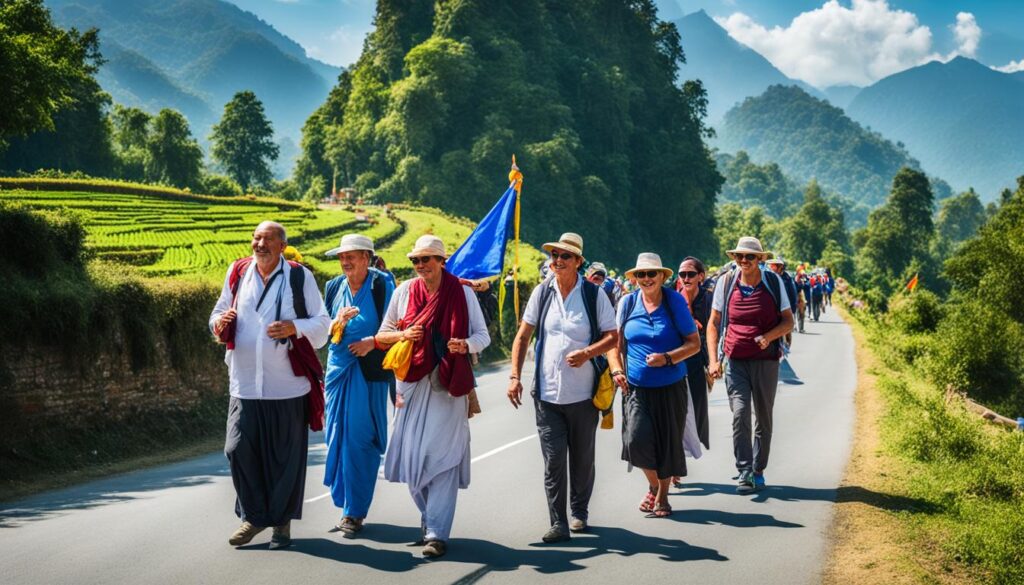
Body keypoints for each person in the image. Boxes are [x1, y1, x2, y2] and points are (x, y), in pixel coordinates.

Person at [210, 221, 331, 549]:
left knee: (283, 459)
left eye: (267, 239)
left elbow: (323, 325)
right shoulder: (237, 272)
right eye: (256, 238)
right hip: (244, 385)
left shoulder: (298, 276)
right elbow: (219, 312)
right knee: (236, 450)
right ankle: (253, 517)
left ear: (281, 246)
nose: (259, 244)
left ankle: (281, 524)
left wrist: (294, 327)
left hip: (286, 387)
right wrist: (218, 323)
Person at [377, 235, 491, 559]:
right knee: (412, 457)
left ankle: (437, 533)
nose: (420, 266)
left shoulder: (462, 292)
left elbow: (482, 336)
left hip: (447, 384)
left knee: (441, 458)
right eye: (415, 260)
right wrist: (404, 334)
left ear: (442, 261)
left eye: (427, 259)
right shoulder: (402, 293)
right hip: (409, 385)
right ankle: (429, 521)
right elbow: (383, 337)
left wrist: (465, 345)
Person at [507, 233, 618, 543]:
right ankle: (558, 522)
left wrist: (586, 353)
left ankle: (579, 511)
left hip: (584, 396)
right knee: (554, 460)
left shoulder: (594, 295)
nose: (557, 261)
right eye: (554, 255)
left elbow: (613, 337)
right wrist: (515, 376)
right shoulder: (542, 293)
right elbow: (523, 336)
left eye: (565, 256)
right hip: (547, 396)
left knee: (582, 459)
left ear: (578, 262)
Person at [607, 253, 700, 518]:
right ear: (635, 278)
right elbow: (614, 344)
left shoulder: (674, 303)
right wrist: (616, 370)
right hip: (635, 388)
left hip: (671, 386)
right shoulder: (627, 304)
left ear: (661, 277)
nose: (646, 279)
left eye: (651, 274)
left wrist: (668, 358)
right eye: (641, 275)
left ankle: (662, 496)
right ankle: (653, 484)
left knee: (668, 444)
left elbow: (694, 344)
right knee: (636, 441)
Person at [321, 234, 396, 537]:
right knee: (336, 437)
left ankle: (354, 512)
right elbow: (323, 330)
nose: (345, 262)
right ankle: (348, 506)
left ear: (367, 257)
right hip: (338, 372)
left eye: (351, 256)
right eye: (342, 257)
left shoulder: (381, 286)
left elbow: (396, 328)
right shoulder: (334, 287)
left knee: (359, 441)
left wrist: (371, 343)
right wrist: (337, 321)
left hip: (368, 373)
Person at [706, 237, 794, 494]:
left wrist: (768, 337)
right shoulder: (726, 283)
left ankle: (758, 469)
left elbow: (788, 322)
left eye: (750, 257)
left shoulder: (773, 283)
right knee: (740, 413)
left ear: (760, 260)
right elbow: (713, 323)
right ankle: (744, 468)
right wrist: (713, 360)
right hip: (735, 360)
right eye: (739, 257)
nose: (744, 261)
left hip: (766, 362)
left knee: (763, 417)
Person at [672, 256, 713, 487]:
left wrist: (714, 362)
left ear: (701, 276)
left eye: (690, 274)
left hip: (697, 362)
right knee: (675, 413)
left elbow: (715, 327)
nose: (685, 278)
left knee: (695, 414)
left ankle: (681, 456)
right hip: (674, 361)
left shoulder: (708, 299)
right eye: (682, 274)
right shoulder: (671, 298)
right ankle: (675, 463)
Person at [765, 256, 799, 348]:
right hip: (771, 312)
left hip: (784, 311)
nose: (772, 268)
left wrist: (791, 312)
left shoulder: (787, 279)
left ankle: (786, 347)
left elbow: (792, 295)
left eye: (774, 266)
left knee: (786, 332)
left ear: (780, 267)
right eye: (771, 266)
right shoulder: (766, 277)